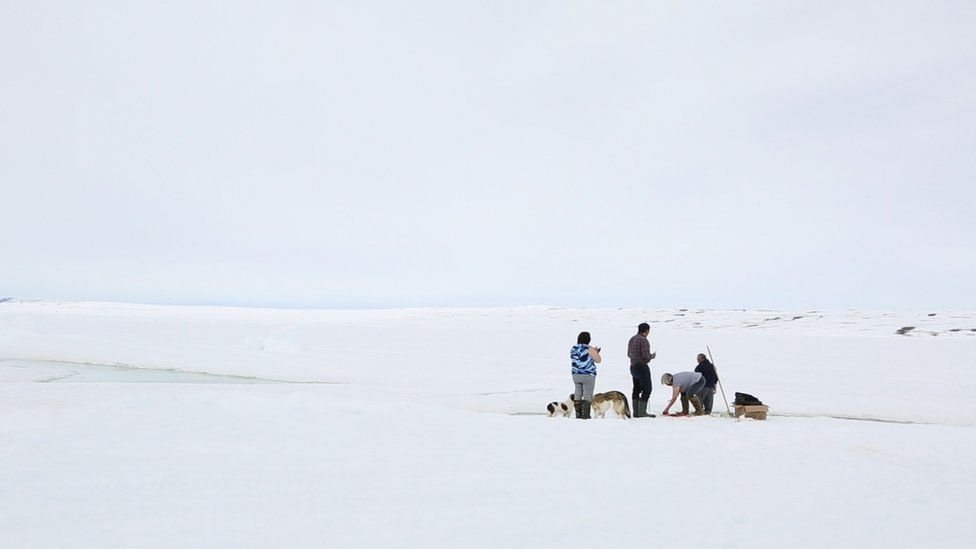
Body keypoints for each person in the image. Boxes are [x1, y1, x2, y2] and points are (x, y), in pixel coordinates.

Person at [627, 322, 656, 418]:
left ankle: (636, 412)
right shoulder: (644, 340)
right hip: (642, 367)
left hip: (633, 366)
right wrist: (652, 356)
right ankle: (642, 412)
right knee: (647, 389)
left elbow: (628, 354)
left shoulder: (632, 339)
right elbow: (646, 356)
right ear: (647, 330)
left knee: (636, 388)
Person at [570, 331, 601, 419]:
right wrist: (596, 352)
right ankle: (586, 415)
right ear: (588, 340)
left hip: (576, 374)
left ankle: (578, 414)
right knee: (587, 395)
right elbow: (598, 360)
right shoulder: (589, 349)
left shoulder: (573, 348)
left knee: (578, 394)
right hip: (588, 375)